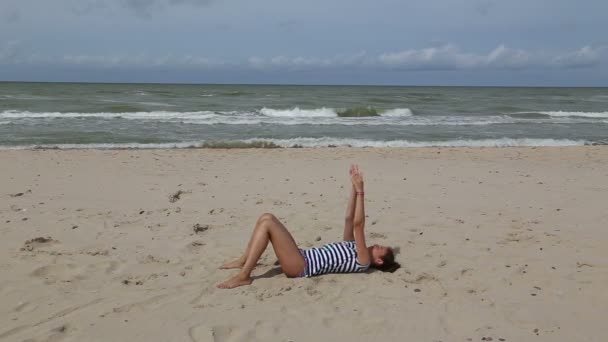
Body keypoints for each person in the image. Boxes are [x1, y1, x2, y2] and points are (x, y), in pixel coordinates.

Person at [217, 164, 400, 289]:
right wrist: (353, 186)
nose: (376, 245)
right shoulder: (353, 246)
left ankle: (244, 276)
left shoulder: (363, 261)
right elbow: (349, 219)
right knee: (265, 218)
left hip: (301, 266)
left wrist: (361, 191)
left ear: (379, 261)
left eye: (379, 249)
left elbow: (359, 225)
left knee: (268, 221)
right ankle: (244, 260)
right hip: (301, 256)